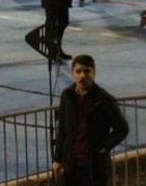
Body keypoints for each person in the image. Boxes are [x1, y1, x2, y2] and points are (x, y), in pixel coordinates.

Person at [51, 54, 129, 186]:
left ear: (94, 73)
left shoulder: (104, 99)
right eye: (78, 71)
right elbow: (62, 130)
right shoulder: (67, 96)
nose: (83, 76)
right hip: (71, 164)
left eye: (87, 71)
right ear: (72, 73)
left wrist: (103, 148)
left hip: (94, 166)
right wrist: (57, 159)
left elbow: (122, 128)